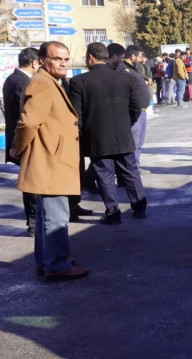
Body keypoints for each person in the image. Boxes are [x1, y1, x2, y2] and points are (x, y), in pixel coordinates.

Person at [11, 41, 89, 280]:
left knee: (48, 213)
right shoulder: (43, 83)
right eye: (57, 59)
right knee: (56, 215)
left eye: (66, 59)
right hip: (50, 159)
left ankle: (48, 259)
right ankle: (57, 264)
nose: (63, 63)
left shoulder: (49, 81)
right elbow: (29, 122)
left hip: (51, 157)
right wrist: (17, 148)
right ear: (43, 60)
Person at [69, 42, 147, 224]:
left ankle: (113, 213)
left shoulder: (79, 81)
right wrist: (126, 123)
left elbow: (76, 114)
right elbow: (136, 106)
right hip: (123, 135)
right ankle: (140, 207)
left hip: (97, 138)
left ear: (90, 57)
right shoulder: (125, 78)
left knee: (105, 176)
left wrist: (82, 133)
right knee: (130, 172)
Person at [3, 47, 40, 235]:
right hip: (25, 141)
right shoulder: (21, 82)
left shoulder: (13, 78)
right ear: (34, 62)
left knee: (31, 181)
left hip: (20, 139)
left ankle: (34, 220)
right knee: (32, 183)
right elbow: (27, 116)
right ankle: (33, 221)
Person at [121, 45, 152, 172]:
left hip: (142, 110)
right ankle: (131, 169)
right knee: (133, 143)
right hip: (135, 112)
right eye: (139, 56)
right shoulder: (123, 69)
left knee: (139, 142)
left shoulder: (133, 69)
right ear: (132, 56)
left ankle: (135, 166)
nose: (140, 59)